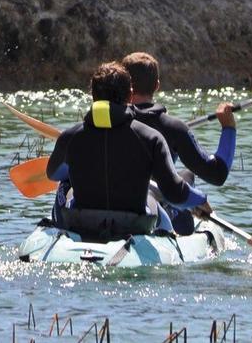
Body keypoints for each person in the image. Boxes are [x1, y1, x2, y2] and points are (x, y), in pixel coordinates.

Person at [46, 61, 211, 241]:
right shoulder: (151, 138)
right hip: (134, 224)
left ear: (93, 95)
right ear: (130, 95)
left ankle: (59, 230)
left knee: (64, 184)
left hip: (82, 222)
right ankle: (169, 237)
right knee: (154, 198)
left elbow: (53, 174)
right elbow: (174, 192)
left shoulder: (70, 137)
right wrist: (200, 199)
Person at [122, 52, 236, 233]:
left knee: (185, 175)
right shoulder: (173, 127)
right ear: (157, 86)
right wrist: (228, 128)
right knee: (187, 176)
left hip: (118, 199)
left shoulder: (107, 123)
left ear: (124, 86)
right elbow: (217, 174)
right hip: (155, 202)